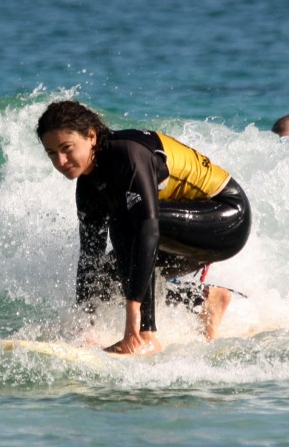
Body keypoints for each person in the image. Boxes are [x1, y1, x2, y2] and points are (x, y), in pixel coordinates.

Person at [36, 101, 251, 355]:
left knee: (125, 222)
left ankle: (146, 336)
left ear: (91, 136)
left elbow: (148, 228)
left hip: (226, 220)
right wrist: (84, 326)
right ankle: (203, 301)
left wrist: (133, 321)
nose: (60, 161)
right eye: (52, 154)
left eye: (66, 148)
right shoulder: (88, 186)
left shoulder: (128, 154)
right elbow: (89, 257)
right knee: (105, 276)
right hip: (179, 233)